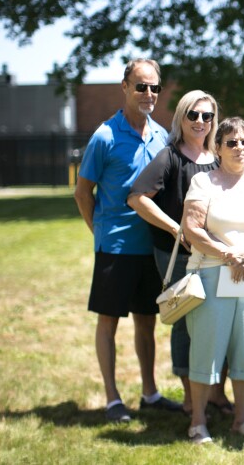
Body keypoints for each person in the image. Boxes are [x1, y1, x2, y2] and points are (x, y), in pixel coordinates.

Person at [74, 58, 182, 423]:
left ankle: (150, 393)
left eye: (154, 87)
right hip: (115, 248)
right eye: (141, 86)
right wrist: (99, 231)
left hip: (150, 248)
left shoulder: (161, 135)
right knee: (109, 322)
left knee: (146, 322)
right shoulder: (104, 136)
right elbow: (82, 192)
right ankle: (111, 398)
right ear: (125, 87)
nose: (149, 94)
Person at [127, 90, 234, 416]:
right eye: (193, 115)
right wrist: (176, 228)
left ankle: (216, 392)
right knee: (187, 321)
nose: (200, 122)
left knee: (220, 319)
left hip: (217, 253)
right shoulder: (169, 156)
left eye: (207, 116)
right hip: (180, 255)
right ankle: (190, 397)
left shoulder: (218, 157)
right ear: (181, 118)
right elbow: (137, 198)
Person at [181, 117, 244, 444]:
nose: (239, 148)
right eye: (231, 142)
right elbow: (192, 229)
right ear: (218, 148)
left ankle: (241, 420)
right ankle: (197, 422)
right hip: (210, 272)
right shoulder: (204, 183)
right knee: (207, 350)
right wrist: (228, 254)